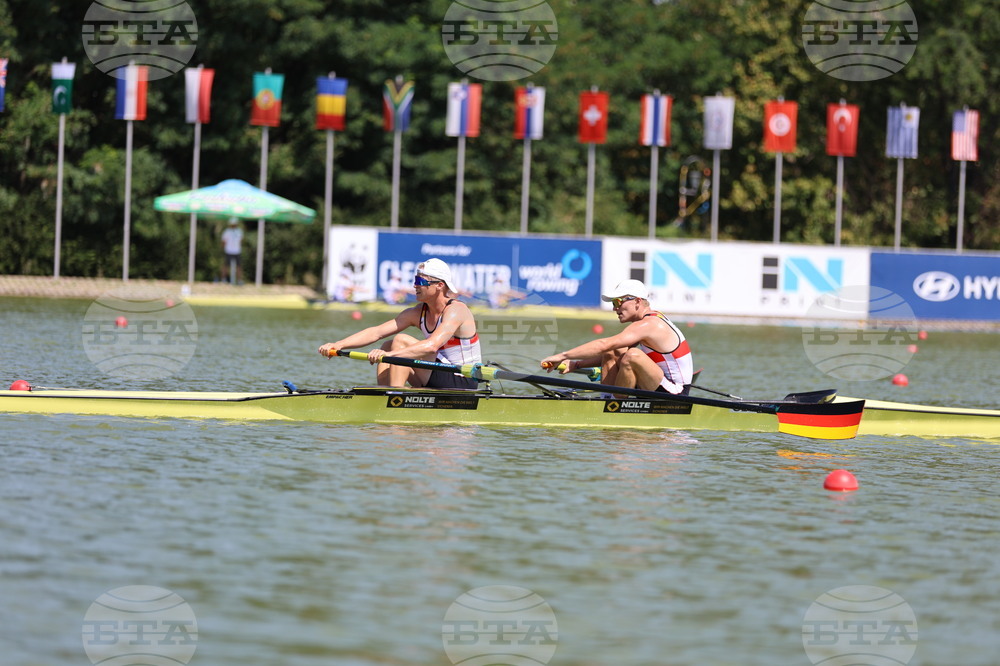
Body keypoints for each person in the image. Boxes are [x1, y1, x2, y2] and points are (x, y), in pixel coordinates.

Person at [319, 258, 482, 388]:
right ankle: (385, 393)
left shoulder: (456, 310)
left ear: (439, 285)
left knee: (400, 341)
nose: (415, 285)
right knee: (388, 344)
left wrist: (389, 357)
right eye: (415, 279)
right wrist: (338, 344)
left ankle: (395, 397)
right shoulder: (418, 312)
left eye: (421, 281)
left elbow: (432, 346)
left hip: (462, 379)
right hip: (438, 374)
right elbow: (376, 332)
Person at [539, 279, 693, 395]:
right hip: (658, 382)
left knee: (633, 355)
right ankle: (607, 399)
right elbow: (610, 350)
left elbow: (603, 344)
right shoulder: (644, 322)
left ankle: (614, 405)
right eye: (614, 302)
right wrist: (575, 365)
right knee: (615, 350)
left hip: (675, 392)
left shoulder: (650, 324)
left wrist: (561, 355)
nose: (614, 308)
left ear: (638, 301)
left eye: (618, 301)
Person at [220, 218, 243, 284]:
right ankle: (223, 279)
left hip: (236, 251)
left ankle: (239, 280)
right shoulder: (227, 231)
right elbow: (224, 241)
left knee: (238, 266)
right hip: (229, 251)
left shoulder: (239, 231)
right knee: (226, 266)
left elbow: (240, 240)